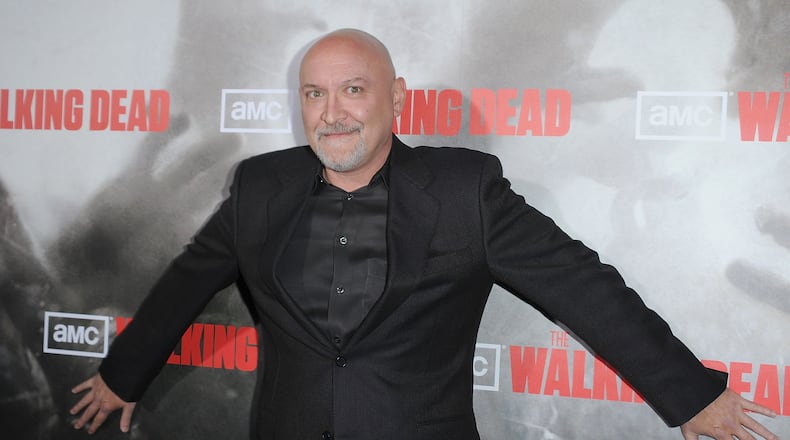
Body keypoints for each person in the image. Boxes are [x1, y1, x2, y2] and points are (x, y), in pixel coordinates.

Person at [70, 28, 779, 440]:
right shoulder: (261, 184)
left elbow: (583, 288)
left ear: (396, 97)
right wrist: (123, 373)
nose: (332, 112)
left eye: (353, 89)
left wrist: (690, 394)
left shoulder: (465, 190)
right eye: (315, 93)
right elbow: (190, 278)